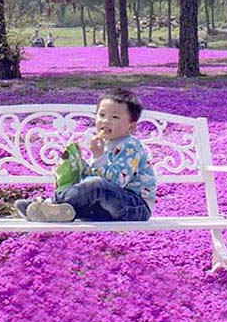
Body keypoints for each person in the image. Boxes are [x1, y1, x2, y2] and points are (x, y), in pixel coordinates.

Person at [15, 88, 156, 222]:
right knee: (92, 186)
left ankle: (47, 204)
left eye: (114, 117)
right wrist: (79, 163)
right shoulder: (105, 144)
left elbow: (116, 182)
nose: (106, 121)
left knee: (97, 185)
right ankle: (61, 211)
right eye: (101, 115)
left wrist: (99, 157)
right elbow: (95, 179)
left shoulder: (130, 146)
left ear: (131, 126)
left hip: (136, 207)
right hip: (110, 207)